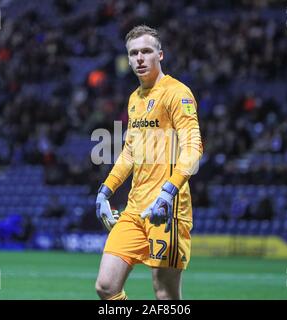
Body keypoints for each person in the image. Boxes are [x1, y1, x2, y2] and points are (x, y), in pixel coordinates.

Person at [95, 25, 203, 300]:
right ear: (128, 59)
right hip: (134, 209)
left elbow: (193, 147)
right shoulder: (135, 99)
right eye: (134, 53)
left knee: (165, 295)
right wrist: (105, 191)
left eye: (146, 51)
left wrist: (168, 192)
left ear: (160, 55)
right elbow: (130, 152)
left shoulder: (177, 93)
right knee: (106, 287)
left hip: (167, 211)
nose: (140, 58)